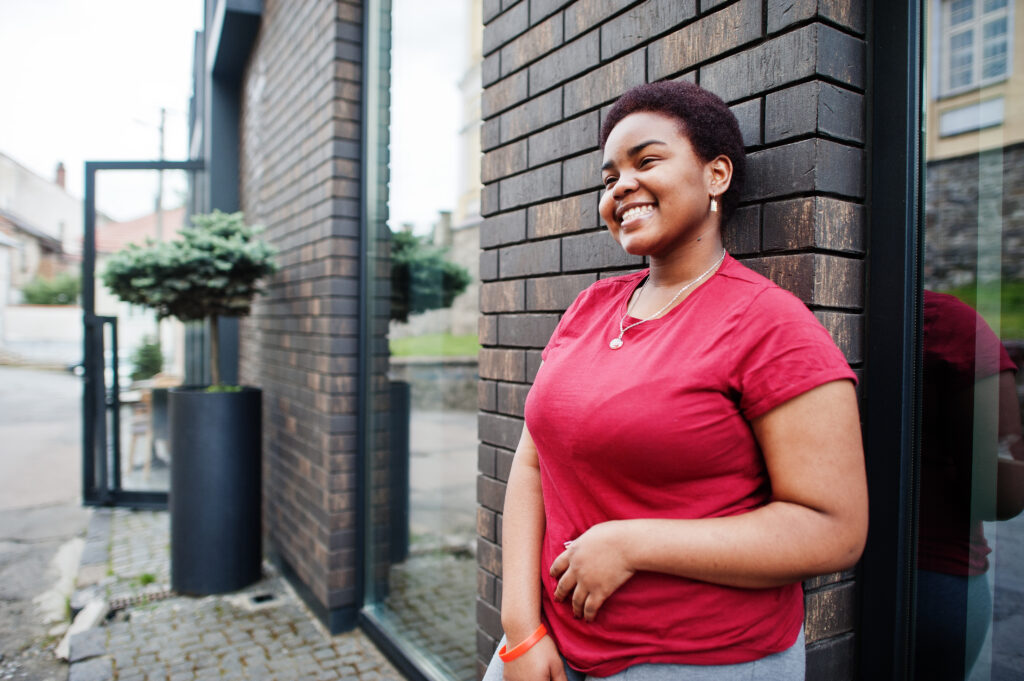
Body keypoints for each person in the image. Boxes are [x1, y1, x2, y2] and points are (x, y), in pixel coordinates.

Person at [483, 81, 869, 681]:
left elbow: (832, 530)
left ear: (716, 175)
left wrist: (632, 544)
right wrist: (519, 630)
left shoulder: (770, 325)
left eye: (647, 161)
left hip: (698, 661)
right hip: (548, 648)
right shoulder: (589, 308)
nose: (621, 186)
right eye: (609, 177)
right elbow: (533, 463)